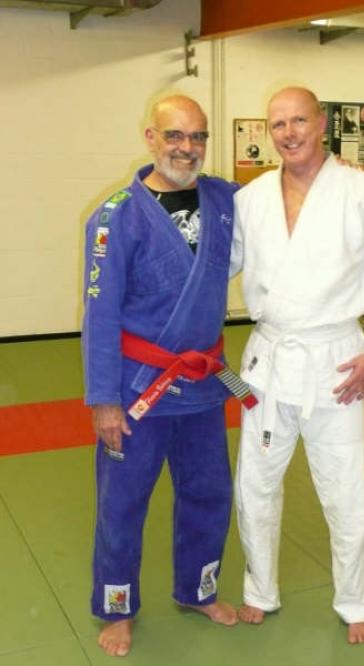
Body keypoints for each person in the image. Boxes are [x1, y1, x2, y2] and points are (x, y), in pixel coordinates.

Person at [230, 87, 364, 644]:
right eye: (278, 124)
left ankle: (357, 601)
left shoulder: (363, 192)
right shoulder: (251, 198)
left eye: (299, 120)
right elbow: (218, 265)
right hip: (267, 361)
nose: (289, 133)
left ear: (322, 122)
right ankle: (260, 589)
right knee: (255, 485)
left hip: (338, 362)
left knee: (346, 489)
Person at [82, 94, 249, 657]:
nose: (187, 147)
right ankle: (117, 607)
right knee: (123, 504)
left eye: (198, 136)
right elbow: (100, 315)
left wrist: (328, 170)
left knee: (209, 493)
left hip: (202, 385)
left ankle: (198, 591)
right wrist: (104, 400)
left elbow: (286, 197)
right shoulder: (114, 217)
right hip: (137, 391)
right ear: (151, 137)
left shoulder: (225, 199)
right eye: (175, 135)